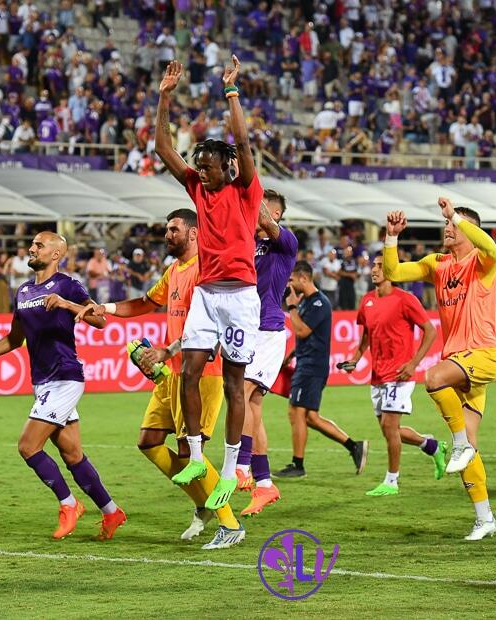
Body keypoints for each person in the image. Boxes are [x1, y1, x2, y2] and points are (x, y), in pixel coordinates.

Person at [71, 209, 246, 550]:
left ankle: (230, 523)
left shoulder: (207, 270)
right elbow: (145, 302)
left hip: (202, 373)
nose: (167, 235)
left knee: (187, 449)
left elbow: (213, 325)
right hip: (173, 372)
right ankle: (201, 502)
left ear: (193, 233)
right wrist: (104, 308)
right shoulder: (174, 271)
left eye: (173, 229)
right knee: (149, 441)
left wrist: (168, 349)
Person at [0, 232, 125, 541]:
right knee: (72, 454)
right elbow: (14, 339)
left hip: (65, 377)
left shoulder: (67, 285)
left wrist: (67, 304)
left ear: (57, 254)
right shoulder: (22, 291)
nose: (32, 249)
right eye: (31, 245)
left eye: (39, 245)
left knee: (28, 446)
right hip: (43, 381)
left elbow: (100, 321)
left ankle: (68, 504)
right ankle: (112, 511)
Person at [152, 56, 263, 511]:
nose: (200, 169)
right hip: (207, 294)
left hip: (240, 297)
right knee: (190, 372)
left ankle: (235, 466)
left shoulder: (246, 189)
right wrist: (164, 97)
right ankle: (196, 456)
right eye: (198, 163)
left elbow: (242, 139)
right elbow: (163, 149)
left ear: (227, 167)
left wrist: (231, 92)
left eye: (208, 164)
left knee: (235, 385)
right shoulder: (197, 189)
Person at [384, 197, 496, 541]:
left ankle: (459, 442)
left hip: (481, 354)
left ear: (470, 229)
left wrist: (456, 215)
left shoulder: (483, 263)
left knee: (433, 377)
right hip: (460, 363)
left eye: (453, 224)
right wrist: (392, 237)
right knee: (470, 453)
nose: (447, 227)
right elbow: (394, 272)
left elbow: (492, 247)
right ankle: (485, 519)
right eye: (447, 223)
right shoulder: (437, 263)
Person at [341, 255, 444, 495]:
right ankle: (432, 446)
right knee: (390, 430)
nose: (374, 270)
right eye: (373, 266)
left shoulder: (405, 299)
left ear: (391, 270)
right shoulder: (366, 301)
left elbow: (430, 331)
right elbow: (366, 334)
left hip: (400, 374)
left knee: (390, 426)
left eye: (380, 266)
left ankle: (392, 481)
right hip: (377, 375)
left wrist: (413, 364)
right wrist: (355, 360)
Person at [235, 190, 297, 517]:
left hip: (268, 329)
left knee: (243, 393)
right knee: (253, 406)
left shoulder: (285, 244)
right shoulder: (247, 243)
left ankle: (242, 465)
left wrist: (248, 185)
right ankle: (264, 483)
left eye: (266, 212)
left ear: (277, 215)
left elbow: (265, 221)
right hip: (246, 328)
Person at [275, 261, 368, 478]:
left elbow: (302, 331)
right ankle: (355, 447)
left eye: (291, 280)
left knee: (295, 412)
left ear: (304, 278)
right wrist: (291, 355)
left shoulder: (318, 303)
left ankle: (298, 465)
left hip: (311, 368)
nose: (289, 284)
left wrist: (291, 307)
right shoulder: (308, 302)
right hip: (306, 364)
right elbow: (307, 336)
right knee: (310, 417)